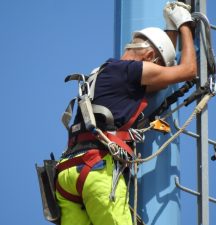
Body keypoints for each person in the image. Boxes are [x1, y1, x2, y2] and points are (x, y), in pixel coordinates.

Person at [55, 2, 197, 225]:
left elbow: (161, 81)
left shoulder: (102, 74)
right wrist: (184, 24)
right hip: (97, 172)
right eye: (157, 66)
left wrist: (171, 28)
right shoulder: (129, 71)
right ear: (149, 57)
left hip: (66, 174)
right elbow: (187, 70)